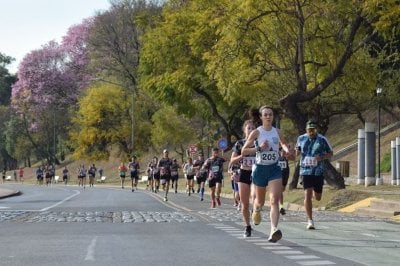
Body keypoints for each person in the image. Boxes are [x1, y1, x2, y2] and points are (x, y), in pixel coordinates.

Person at [242, 106, 294, 243]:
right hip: (260, 169)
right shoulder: (256, 133)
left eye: (270, 114)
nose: (268, 117)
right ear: (260, 117)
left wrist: (286, 150)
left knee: (274, 201)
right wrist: (259, 148)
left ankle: (273, 230)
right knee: (259, 202)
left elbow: (283, 144)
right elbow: (244, 151)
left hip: (274, 169)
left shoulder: (277, 131)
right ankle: (257, 210)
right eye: (265, 115)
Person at [295, 119, 333, 230]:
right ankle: (310, 220)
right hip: (305, 170)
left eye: (313, 130)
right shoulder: (301, 138)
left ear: (316, 130)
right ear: (306, 129)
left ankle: (315, 192)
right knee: (307, 195)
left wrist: (321, 157)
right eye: (309, 130)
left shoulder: (322, 139)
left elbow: (331, 153)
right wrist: (294, 152)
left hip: (318, 171)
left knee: (318, 197)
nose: (310, 132)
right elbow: (297, 151)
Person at [230, 119, 256, 237]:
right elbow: (232, 160)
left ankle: (256, 212)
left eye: (252, 128)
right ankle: (247, 227)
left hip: (257, 173)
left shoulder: (259, 142)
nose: (251, 130)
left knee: (256, 199)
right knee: (244, 203)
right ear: (244, 130)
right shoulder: (240, 144)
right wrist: (242, 155)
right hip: (244, 173)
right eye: (248, 128)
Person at [278, 147, 290, 215]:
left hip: (285, 172)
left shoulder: (286, 148)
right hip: (277, 174)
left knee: (282, 190)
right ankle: (281, 207)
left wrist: (288, 155)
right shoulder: (275, 150)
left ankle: (279, 204)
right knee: (279, 190)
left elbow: (293, 157)